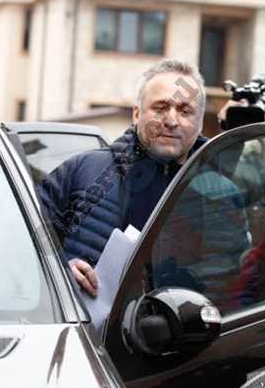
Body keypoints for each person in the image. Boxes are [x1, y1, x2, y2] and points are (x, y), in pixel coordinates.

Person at [37, 59, 207, 297]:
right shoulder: (84, 170)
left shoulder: (219, 195)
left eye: (185, 111)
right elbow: (25, 241)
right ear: (136, 114)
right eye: (160, 108)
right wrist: (61, 270)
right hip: (84, 319)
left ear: (200, 123)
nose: (171, 120)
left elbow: (230, 282)